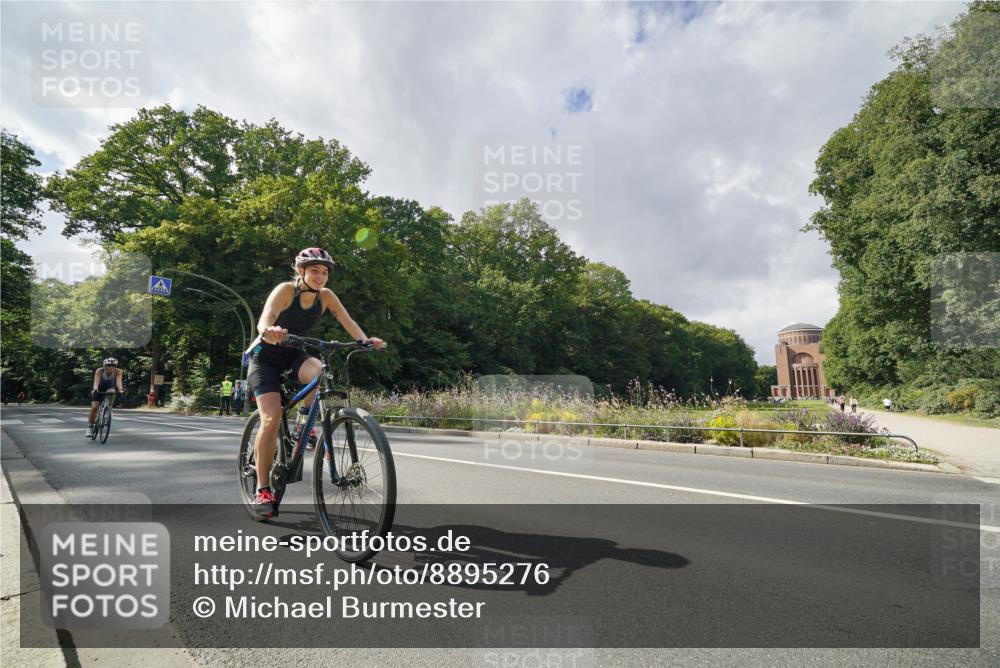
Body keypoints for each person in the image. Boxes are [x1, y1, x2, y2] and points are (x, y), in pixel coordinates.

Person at [246, 248, 385, 520]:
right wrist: (268, 330)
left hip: (295, 353)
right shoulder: (286, 290)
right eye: (314, 271)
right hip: (265, 359)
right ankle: (263, 489)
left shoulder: (327, 297)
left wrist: (365, 340)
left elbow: (349, 321)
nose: (321, 277)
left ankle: (303, 423)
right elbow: (266, 316)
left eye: (325, 272)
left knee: (321, 371)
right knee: (271, 419)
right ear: (301, 271)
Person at [88, 358, 123, 437]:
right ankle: (90, 427)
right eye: (109, 365)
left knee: (112, 391)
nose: (111, 367)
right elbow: (96, 381)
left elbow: (118, 382)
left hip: (110, 387)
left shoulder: (118, 371)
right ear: (105, 366)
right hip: (99, 388)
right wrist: (95, 388)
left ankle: (109, 409)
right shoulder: (99, 371)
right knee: (94, 407)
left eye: (113, 365)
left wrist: (121, 389)